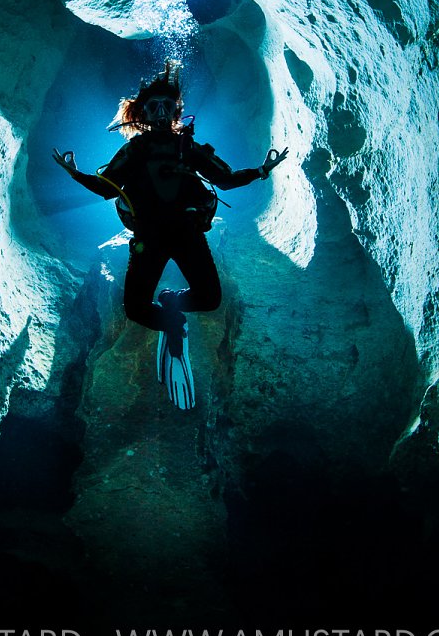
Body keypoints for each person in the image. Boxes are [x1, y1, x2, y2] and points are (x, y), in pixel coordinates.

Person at [53, 61, 287, 410]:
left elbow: (224, 179)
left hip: (186, 232)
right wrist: (75, 174)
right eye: (153, 106)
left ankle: (172, 300)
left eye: (167, 106)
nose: (161, 112)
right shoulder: (135, 149)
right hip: (149, 236)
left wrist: (262, 171)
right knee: (135, 309)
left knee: (209, 298)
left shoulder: (187, 147)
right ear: (142, 113)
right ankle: (172, 322)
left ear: (177, 111)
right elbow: (108, 187)